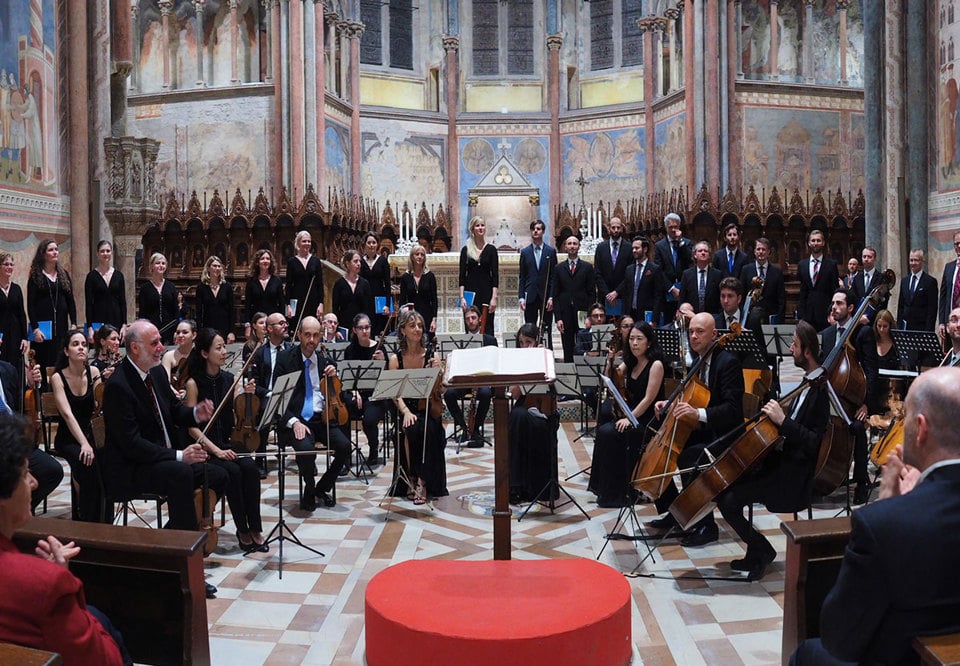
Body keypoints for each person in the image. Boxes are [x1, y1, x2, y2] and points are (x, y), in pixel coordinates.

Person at [791, 367, 960, 665]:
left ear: (920, 429)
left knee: (806, 652)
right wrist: (914, 503)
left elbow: (839, 638)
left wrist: (889, 507)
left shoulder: (884, 524)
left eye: (904, 416)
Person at [100, 319, 228, 601]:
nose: (162, 348)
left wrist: (195, 414)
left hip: (159, 460)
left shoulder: (156, 373)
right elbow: (132, 445)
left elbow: (173, 410)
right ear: (134, 348)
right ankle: (186, 569)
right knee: (180, 474)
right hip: (131, 469)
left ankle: (171, 541)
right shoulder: (118, 386)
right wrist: (180, 456)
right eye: (155, 343)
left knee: (218, 473)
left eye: (160, 341)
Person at [0, 413, 129, 665]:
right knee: (102, 626)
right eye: (26, 473)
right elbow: (103, 659)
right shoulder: (45, 584)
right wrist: (53, 577)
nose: (35, 483)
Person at [716, 321, 830, 581]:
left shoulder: (820, 390)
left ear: (808, 352)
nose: (791, 349)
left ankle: (762, 550)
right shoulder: (808, 382)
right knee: (728, 485)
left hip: (792, 476)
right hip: (780, 463)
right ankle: (756, 550)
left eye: (795, 345)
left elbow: (812, 442)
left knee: (729, 500)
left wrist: (782, 421)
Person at [649, 312, 744, 546]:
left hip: (727, 435)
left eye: (700, 332)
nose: (693, 336)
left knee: (691, 457)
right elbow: (694, 395)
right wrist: (669, 402)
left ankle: (707, 525)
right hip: (708, 430)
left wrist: (697, 414)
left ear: (714, 334)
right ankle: (675, 511)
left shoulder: (727, 362)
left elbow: (732, 410)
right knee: (670, 444)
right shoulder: (701, 360)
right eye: (691, 331)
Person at [181, 328, 267, 553]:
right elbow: (191, 427)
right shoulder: (193, 384)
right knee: (233, 472)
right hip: (205, 448)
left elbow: (238, 417)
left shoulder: (229, 379)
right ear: (204, 353)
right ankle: (242, 529)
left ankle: (255, 527)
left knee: (250, 467)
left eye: (224, 347)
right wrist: (216, 451)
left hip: (226, 443)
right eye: (218, 348)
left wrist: (248, 397)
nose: (224, 352)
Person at [273, 316, 351, 510]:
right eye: (307, 335)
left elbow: (337, 392)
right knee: (306, 451)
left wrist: (336, 376)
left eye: (316, 335)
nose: (311, 340)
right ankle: (309, 487)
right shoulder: (285, 359)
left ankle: (321, 487)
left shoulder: (325, 361)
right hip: (298, 419)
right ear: (299, 334)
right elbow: (278, 400)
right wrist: (293, 422)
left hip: (321, 419)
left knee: (344, 447)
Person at [588, 322, 665, 508]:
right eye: (631, 339)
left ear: (648, 342)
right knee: (604, 431)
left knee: (609, 433)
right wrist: (610, 360)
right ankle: (605, 490)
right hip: (632, 415)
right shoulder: (630, 362)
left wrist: (630, 419)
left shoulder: (656, 365)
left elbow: (648, 399)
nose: (634, 343)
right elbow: (611, 379)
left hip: (646, 420)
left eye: (639, 339)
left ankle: (620, 493)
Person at [820, 288, 879, 505]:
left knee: (856, 429)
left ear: (851, 308)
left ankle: (862, 481)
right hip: (830, 396)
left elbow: (872, 370)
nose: (834, 307)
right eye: (833, 303)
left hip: (853, 398)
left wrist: (866, 404)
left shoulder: (862, 333)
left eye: (839, 304)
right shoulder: (827, 334)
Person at [389, 309, 447, 504]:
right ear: (403, 330)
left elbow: (442, 390)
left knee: (430, 429)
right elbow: (395, 393)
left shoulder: (431, 354)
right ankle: (411, 478)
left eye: (420, 326)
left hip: (428, 408)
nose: (417, 330)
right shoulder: (395, 359)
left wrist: (440, 371)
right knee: (411, 428)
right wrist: (405, 412)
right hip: (406, 408)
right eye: (412, 325)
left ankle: (423, 481)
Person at [51, 329, 108, 523]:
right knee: (87, 462)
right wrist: (84, 443)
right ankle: (87, 520)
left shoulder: (93, 372)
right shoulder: (58, 377)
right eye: (76, 344)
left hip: (91, 434)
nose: (81, 348)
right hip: (69, 438)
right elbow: (67, 415)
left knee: (106, 462)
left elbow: (100, 407)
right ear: (66, 351)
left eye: (84, 344)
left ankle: (104, 521)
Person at [508, 323, 560, 504]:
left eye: (528, 342)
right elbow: (514, 394)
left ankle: (539, 487)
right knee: (517, 416)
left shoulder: (546, 357)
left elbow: (554, 391)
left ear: (537, 341)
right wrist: (522, 371)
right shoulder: (517, 359)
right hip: (524, 405)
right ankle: (515, 486)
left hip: (544, 408)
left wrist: (542, 360)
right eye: (521, 343)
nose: (524, 347)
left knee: (537, 423)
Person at [0, 358, 61, 511]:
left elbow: (20, 402)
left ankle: (19, 511)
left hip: (13, 440)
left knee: (51, 470)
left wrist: (30, 384)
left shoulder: (7, 369)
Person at [444, 306, 496, 446]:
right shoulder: (460, 341)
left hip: (482, 379)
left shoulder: (490, 339)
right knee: (449, 394)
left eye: (473, 318)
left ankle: (476, 428)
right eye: (467, 319)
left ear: (479, 319)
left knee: (486, 393)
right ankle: (463, 428)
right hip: (465, 380)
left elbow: (495, 362)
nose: (471, 321)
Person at [250, 312, 293, 478]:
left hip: (288, 394)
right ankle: (260, 461)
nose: (285, 325)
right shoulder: (261, 352)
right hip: (267, 396)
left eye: (285, 323)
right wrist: (269, 393)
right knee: (265, 412)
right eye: (281, 323)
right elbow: (256, 383)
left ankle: (303, 458)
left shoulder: (291, 349)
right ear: (270, 328)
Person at [343, 313, 388, 466]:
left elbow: (389, 377)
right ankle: (345, 454)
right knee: (342, 413)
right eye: (361, 328)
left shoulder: (379, 348)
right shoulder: (350, 350)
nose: (365, 331)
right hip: (357, 395)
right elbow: (347, 378)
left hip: (376, 395)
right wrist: (354, 391)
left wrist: (383, 362)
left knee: (369, 420)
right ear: (354, 330)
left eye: (367, 327)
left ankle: (374, 450)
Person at [27, 239, 77, 373]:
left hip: (61, 328)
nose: (55, 252)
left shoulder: (64, 274)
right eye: (51, 250)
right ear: (43, 254)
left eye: (56, 249)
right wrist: (35, 328)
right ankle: (43, 392)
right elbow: (30, 305)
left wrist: (73, 323)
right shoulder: (35, 276)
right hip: (42, 331)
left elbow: (71, 301)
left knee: (59, 363)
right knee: (43, 363)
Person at [553, 235, 596, 363]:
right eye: (569, 243)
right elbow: (555, 294)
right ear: (565, 247)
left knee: (583, 344)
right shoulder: (558, 268)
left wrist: (589, 316)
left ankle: (583, 373)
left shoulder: (587, 267)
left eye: (575, 244)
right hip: (565, 313)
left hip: (582, 313)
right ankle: (569, 375)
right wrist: (558, 318)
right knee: (567, 346)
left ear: (579, 246)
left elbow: (592, 293)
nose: (572, 246)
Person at [608, 236, 664, 324]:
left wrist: (654, 319)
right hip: (630, 313)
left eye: (637, 248)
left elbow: (658, 296)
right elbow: (626, 291)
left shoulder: (654, 269)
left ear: (645, 249)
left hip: (646, 314)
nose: (634, 251)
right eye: (633, 248)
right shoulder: (629, 269)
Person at [459, 216, 499, 336]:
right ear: (472, 229)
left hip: (486, 293)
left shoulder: (491, 249)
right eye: (477, 225)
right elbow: (462, 276)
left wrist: (494, 298)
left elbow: (495, 276)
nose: (480, 228)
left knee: (487, 325)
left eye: (482, 225)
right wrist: (462, 297)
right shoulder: (466, 250)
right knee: (471, 323)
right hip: (470, 293)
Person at [518, 219, 556, 335]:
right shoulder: (525, 252)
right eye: (533, 229)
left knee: (546, 327)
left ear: (543, 231)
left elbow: (554, 276)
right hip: (531, 295)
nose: (535, 231)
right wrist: (521, 297)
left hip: (545, 295)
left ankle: (547, 349)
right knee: (530, 328)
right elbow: (522, 277)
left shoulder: (551, 251)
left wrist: (552, 297)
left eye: (538, 229)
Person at [653, 213, 693, 324]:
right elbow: (658, 270)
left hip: (684, 289)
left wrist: (680, 242)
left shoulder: (686, 243)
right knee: (668, 322)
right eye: (671, 227)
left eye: (676, 227)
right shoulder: (659, 246)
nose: (674, 230)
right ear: (666, 228)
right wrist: (671, 288)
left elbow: (690, 261)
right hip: (667, 291)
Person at [84, 240, 127, 341]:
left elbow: (123, 302)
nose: (105, 254)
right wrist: (89, 327)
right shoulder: (91, 276)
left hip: (116, 320)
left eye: (108, 251)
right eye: (102, 251)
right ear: (97, 254)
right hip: (98, 321)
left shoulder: (119, 276)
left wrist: (124, 325)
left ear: (111, 253)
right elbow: (88, 304)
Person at [738, 237, 785, 328]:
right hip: (750, 317)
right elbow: (741, 294)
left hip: (770, 318)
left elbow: (781, 298)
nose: (761, 252)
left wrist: (779, 319)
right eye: (758, 249)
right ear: (754, 251)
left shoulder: (777, 271)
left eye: (763, 249)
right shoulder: (746, 270)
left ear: (768, 252)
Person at [797, 229, 839, 331]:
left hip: (825, 313)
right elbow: (803, 291)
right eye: (813, 240)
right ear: (809, 243)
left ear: (823, 243)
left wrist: (832, 313)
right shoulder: (802, 265)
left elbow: (834, 290)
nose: (816, 243)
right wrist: (801, 315)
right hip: (807, 314)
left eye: (818, 240)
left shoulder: (831, 265)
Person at [284, 230, 324, 328]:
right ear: (298, 243)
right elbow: (288, 285)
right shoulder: (292, 261)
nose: (307, 244)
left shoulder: (316, 261)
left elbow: (320, 284)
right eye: (304, 241)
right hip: (297, 300)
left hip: (313, 300)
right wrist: (288, 305)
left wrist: (321, 303)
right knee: (297, 328)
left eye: (309, 241)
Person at [138, 252, 179, 344]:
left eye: (163, 263)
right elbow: (142, 313)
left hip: (169, 330)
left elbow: (175, 311)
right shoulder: (145, 288)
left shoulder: (171, 286)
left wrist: (177, 331)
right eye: (157, 263)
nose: (161, 266)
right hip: (151, 330)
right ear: (151, 266)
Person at [243, 249, 284, 340]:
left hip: (273, 322)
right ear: (257, 262)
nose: (265, 261)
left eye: (268, 259)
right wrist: (247, 325)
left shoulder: (277, 281)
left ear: (271, 262)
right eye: (262, 259)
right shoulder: (251, 281)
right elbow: (247, 305)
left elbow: (281, 304)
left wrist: (282, 323)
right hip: (257, 322)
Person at [399, 244, 438, 335]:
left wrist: (434, 319)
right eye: (417, 254)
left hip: (427, 316)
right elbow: (402, 300)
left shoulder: (430, 276)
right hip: (410, 317)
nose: (420, 257)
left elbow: (434, 300)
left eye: (422, 254)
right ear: (412, 257)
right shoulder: (406, 277)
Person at [595, 216, 632, 312]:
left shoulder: (629, 248)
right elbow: (597, 273)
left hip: (622, 295)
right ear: (608, 228)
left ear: (622, 228)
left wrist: (616, 292)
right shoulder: (601, 247)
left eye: (618, 228)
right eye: (613, 227)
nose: (616, 230)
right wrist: (607, 294)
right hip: (604, 296)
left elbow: (630, 274)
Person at [195, 255, 236, 343]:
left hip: (224, 328)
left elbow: (232, 311)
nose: (217, 268)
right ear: (208, 268)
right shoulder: (201, 287)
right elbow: (198, 312)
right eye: (214, 266)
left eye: (219, 266)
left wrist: (232, 332)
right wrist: (199, 331)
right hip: (208, 328)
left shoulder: (227, 286)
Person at [897, 248, 938, 331]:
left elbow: (932, 310)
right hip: (906, 328)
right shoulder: (904, 281)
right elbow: (901, 306)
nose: (913, 263)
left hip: (922, 328)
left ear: (922, 261)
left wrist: (928, 332)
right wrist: (899, 326)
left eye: (916, 260)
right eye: (911, 260)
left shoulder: (930, 282)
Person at [360, 232, 393, 335]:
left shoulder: (383, 261)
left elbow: (387, 284)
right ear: (365, 244)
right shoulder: (360, 262)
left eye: (374, 242)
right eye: (369, 242)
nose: (371, 245)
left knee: (380, 330)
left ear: (377, 244)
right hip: (365, 300)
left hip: (380, 300)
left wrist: (387, 305)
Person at [332, 249, 374, 332]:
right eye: (355, 261)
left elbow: (369, 308)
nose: (359, 264)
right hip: (344, 325)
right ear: (347, 264)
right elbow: (335, 308)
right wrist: (336, 330)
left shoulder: (365, 283)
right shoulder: (339, 284)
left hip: (361, 326)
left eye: (359, 261)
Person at [677, 241, 722, 317]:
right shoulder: (687, 274)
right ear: (695, 255)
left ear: (709, 255)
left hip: (712, 317)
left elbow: (720, 298)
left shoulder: (717, 274)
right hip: (691, 317)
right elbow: (682, 298)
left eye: (706, 251)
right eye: (700, 251)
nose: (703, 253)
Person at [0, 252, 28, 366]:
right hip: (1, 336)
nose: (9, 267)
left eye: (11, 265)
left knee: (16, 368)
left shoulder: (16, 289)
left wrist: (25, 338)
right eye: (6, 264)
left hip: (16, 336)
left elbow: (22, 314)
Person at [161, 319, 197, 397]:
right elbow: (165, 382)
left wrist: (188, 393)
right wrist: (174, 392)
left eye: (185, 332)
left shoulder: (199, 355)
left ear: (194, 335)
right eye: (178, 332)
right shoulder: (168, 356)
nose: (180, 335)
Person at [850, 246, 887, 317]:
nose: (866, 259)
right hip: (858, 318)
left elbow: (883, 301)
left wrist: (870, 316)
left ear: (875, 259)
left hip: (875, 318)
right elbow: (853, 298)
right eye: (864, 256)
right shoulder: (857, 277)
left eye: (869, 257)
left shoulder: (881, 278)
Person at [937, 229, 960, 341]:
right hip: (951, 324)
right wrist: (942, 322)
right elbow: (943, 297)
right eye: (956, 243)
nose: (959, 246)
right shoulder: (949, 267)